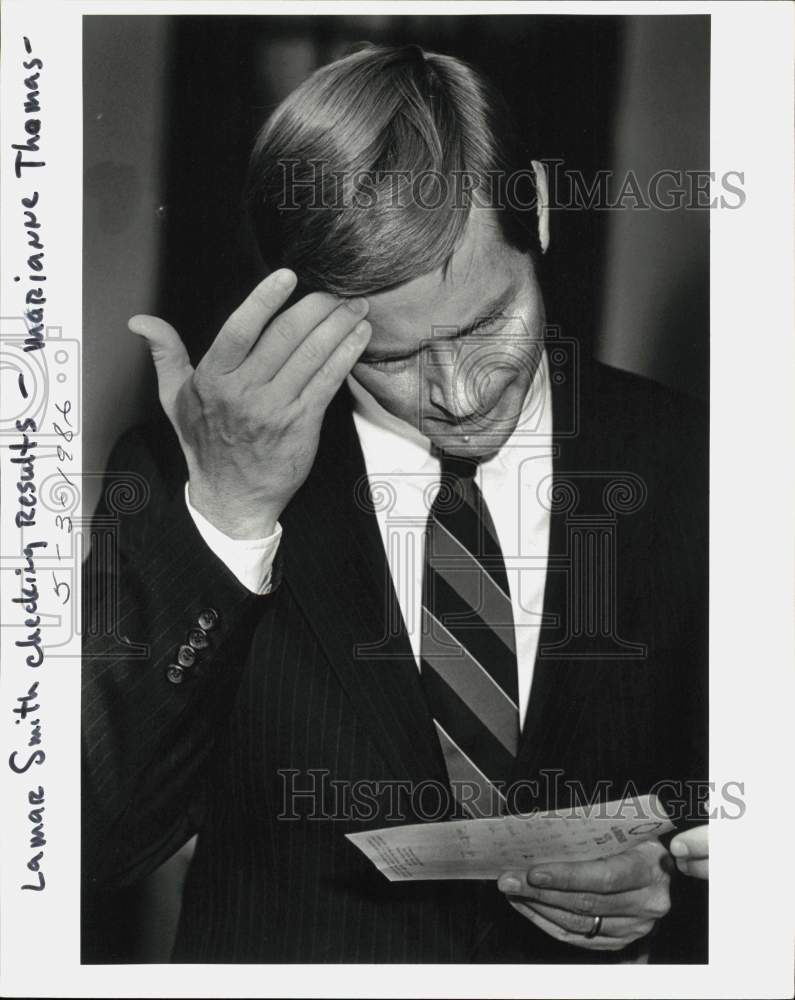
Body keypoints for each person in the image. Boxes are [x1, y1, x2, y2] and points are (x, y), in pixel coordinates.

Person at [82, 43, 708, 963]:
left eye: (487, 323)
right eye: (389, 357)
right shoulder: (185, 476)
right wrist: (230, 514)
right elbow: (92, 844)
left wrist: (676, 891)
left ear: (536, 207)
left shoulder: (702, 463)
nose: (458, 393)